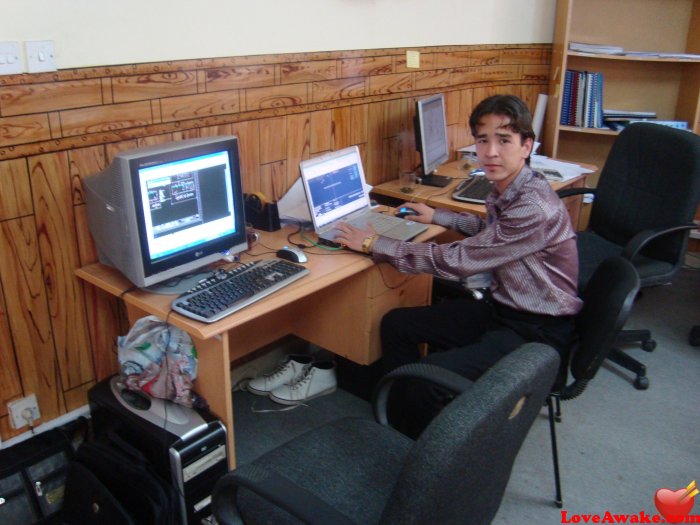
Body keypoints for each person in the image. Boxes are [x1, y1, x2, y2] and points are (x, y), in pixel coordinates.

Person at [334, 94, 583, 437]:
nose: (491, 151)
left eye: (504, 140)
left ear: (527, 146)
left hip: (536, 331)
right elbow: (494, 233)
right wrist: (439, 215)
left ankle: (421, 449)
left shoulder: (532, 206)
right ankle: (398, 413)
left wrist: (374, 242)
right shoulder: (511, 187)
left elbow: (460, 260)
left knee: (428, 374)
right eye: (483, 140)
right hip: (504, 309)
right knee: (397, 324)